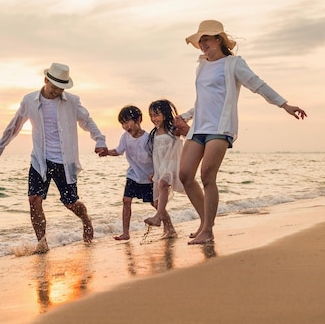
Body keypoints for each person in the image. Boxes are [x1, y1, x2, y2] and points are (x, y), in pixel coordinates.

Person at [177, 20, 307, 245]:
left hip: (220, 127)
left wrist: (284, 104)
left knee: (207, 175)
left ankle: (208, 230)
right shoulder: (201, 66)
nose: (202, 44)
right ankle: (203, 222)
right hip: (198, 127)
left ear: (219, 39)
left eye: (206, 39)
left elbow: (258, 84)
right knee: (185, 175)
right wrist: (187, 115)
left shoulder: (233, 64)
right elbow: (203, 99)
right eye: (200, 40)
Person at [0, 62, 108, 253]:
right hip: (40, 159)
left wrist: (100, 140)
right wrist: (1, 144)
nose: (57, 92)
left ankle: (85, 219)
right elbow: (16, 124)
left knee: (70, 203)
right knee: (34, 199)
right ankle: (42, 243)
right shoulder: (30, 100)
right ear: (46, 80)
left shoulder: (71, 101)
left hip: (65, 161)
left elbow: (87, 121)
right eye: (54, 88)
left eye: (61, 88)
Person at [104, 106, 157, 241]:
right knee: (126, 200)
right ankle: (125, 233)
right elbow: (118, 151)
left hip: (149, 177)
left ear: (138, 120)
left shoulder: (148, 139)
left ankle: (169, 227)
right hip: (133, 175)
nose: (125, 126)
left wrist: (156, 174)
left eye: (128, 122)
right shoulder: (125, 137)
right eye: (122, 123)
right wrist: (107, 152)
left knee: (155, 204)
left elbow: (157, 157)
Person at [143, 99, 186, 239]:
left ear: (165, 114)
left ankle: (157, 218)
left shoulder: (173, 129)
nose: (153, 118)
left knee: (162, 184)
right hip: (160, 168)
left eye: (156, 114)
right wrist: (153, 173)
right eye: (151, 115)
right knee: (155, 202)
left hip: (172, 164)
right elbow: (154, 155)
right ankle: (170, 229)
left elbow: (189, 133)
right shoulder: (154, 134)